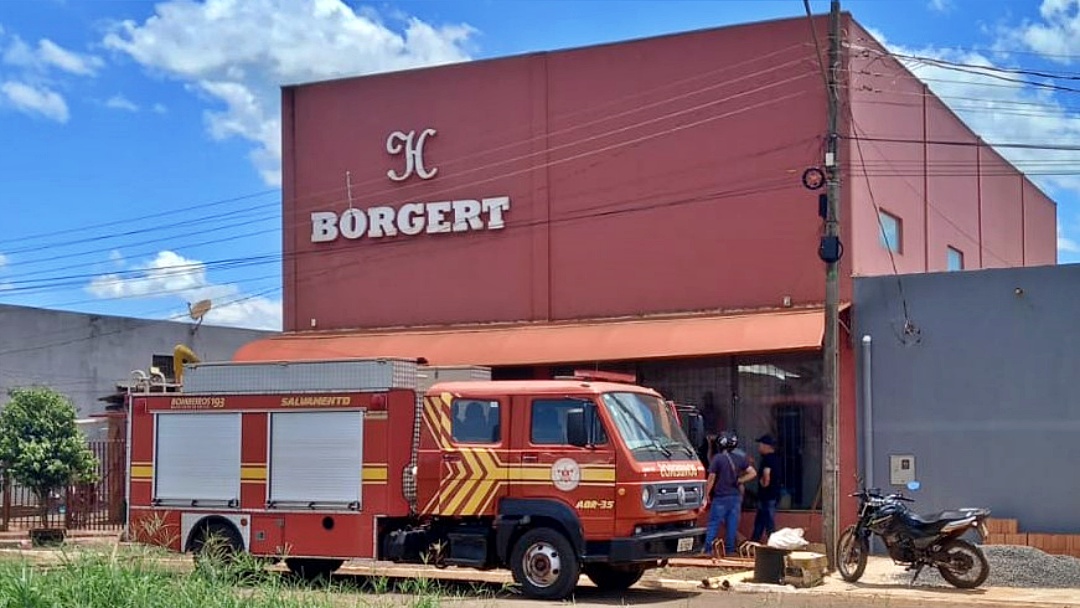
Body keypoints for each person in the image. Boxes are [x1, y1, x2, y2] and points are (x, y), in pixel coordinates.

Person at [701, 431, 757, 556]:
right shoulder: (740, 458)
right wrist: (740, 480)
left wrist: (705, 496)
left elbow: (711, 478)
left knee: (713, 523)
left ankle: (708, 550)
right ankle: (730, 550)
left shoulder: (718, 458)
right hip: (735, 497)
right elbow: (753, 472)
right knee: (732, 524)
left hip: (721, 497)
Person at [751, 434, 782, 543]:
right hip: (773, 495)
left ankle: (774, 544)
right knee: (761, 520)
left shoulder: (767, 459)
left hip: (767, 496)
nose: (759, 447)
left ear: (766, 446)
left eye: (761, 444)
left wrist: (763, 483)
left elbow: (766, 475)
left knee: (768, 522)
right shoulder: (776, 459)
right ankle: (754, 541)